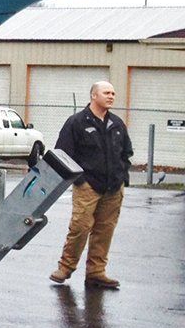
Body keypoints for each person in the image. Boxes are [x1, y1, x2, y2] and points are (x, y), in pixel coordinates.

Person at [50, 80, 133, 289]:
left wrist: (122, 177)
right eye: (106, 93)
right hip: (87, 186)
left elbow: (126, 153)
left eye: (113, 93)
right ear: (94, 96)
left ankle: (96, 272)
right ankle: (65, 268)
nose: (111, 96)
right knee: (81, 227)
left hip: (113, 187)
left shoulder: (117, 124)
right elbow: (62, 153)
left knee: (105, 230)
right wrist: (80, 180)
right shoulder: (77, 122)